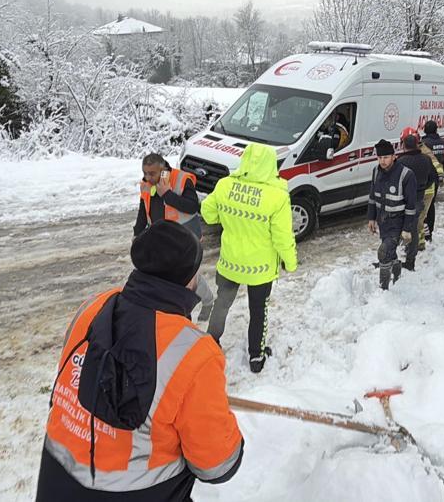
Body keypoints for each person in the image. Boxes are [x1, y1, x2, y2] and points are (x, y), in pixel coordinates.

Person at [36, 221, 244, 501]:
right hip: (139, 491)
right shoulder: (195, 353)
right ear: (191, 277)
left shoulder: (93, 306)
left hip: (55, 480)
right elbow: (217, 466)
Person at [200, 143, 297, 373]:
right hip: (259, 269)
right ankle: (256, 357)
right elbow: (282, 237)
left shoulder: (225, 185)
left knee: (221, 304)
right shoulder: (277, 196)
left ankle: (210, 344)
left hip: (230, 262)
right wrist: (290, 262)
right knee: (258, 311)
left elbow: (208, 213)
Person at [135, 153, 215, 321]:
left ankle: (206, 302)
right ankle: (179, 316)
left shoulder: (181, 180)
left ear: (163, 169)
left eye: (152, 174)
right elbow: (143, 210)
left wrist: (167, 194)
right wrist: (137, 233)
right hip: (162, 240)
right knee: (168, 280)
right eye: (145, 173)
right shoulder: (146, 184)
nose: (147, 178)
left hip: (186, 241)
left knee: (189, 279)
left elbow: (192, 207)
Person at [366, 140, 418, 290]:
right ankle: (397, 274)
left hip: (398, 222)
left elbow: (411, 206)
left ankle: (384, 289)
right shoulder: (376, 171)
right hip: (383, 221)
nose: (383, 161)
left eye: (386, 157)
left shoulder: (406, 175)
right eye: (380, 157)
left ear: (394, 156)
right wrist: (371, 218)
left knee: (383, 252)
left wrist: (407, 229)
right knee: (389, 252)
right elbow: (372, 196)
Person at [396, 130, 441, 268]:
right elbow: (433, 178)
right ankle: (411, 260)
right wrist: (422, 188)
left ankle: (399, 253)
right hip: (418, 199)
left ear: (403, 145)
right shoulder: (426, 159)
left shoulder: (401, 162)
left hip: (404, 201)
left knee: (399, 227)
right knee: (414, 228)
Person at [420, 120, 444, 243]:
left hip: (426, 179)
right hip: (438, 177)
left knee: (423, 208)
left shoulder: (424, 143)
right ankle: (429, 232)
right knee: (431, 205)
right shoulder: (443, 143)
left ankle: (424, 233)